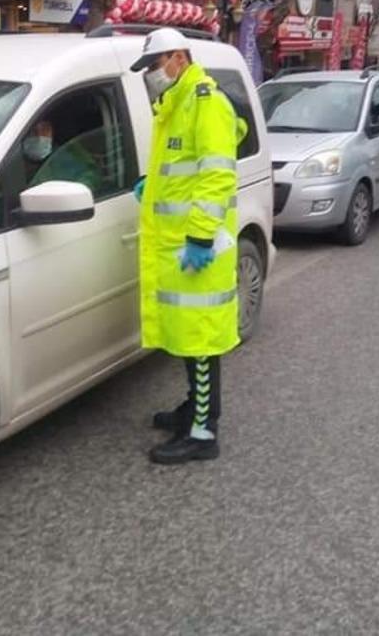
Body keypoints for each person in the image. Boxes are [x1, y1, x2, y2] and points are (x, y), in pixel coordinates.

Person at [130, 27, 240, 465]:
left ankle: (202, 432)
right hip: (177, 248)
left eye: (154, 65)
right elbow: (182, 170)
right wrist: (150, 185)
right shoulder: (175, 104)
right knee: (184, 337)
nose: (151, 75)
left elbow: (216, 177)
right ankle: (193, 408)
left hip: (197, 249)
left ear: (178, 58)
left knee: (199, 341)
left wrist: (197, 236)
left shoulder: (205, 102)